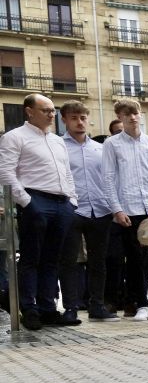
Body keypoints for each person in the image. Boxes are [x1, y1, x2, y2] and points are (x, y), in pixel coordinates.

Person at [0, 94, 77, 330]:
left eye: (53, 110)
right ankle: (29, 309)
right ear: (29, 111)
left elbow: (66, 173)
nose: (52, 115)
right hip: (36, 200)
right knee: (31, 259)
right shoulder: (15, 137)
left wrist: (72, 201)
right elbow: (6, 172)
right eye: (45, 110)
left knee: (52, 260)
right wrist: (27, 202)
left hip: (62, 202)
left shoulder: (57, 140)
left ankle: (48, 309)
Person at [102, 99, 148, 322]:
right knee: (135, 259)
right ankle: (142, 303)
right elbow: (108, 177)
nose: (132, 117)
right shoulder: (112, 144)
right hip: (129, 208)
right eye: (126, 114)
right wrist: (116, 209)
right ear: (120, 117)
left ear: (141, 114)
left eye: (135, 113)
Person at [58, 101, 119, 323]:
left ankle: (97, 306)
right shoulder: (58, 146)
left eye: (83, 117)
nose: (79, 122)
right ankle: (71, 308)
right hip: (72, 210)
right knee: (69, 261)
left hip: (100, 210)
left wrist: (113, 207)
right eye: (74, 117)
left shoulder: (100, 149)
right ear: (64, 119)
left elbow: (109, 178)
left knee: (98, 262)